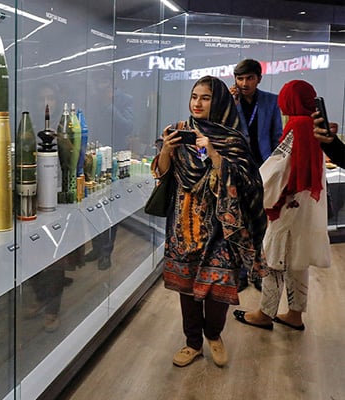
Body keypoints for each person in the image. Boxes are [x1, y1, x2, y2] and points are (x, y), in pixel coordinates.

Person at [153, 75, 267, 368]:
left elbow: (248, 182)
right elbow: (162, 174)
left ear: (218, 102)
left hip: (221, 227)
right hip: (184, 223)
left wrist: (214, 154)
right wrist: (166, 149)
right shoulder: (179, 131)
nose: (198, 103)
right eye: (194, 96)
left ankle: (214, 335)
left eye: (205, 97)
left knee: (218, 287)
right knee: (187, 286)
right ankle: (192, 343)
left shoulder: (232, 139)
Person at [233, 80, 330, 332]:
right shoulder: (313, 124)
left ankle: (265, 313)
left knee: (274, 258)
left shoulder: (296, 125)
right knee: (297, 258)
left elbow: (279, 167)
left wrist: (255, 189)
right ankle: (295, 314)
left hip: (286, 203)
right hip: (306, 202)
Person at [230, 59, 283, 292]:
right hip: (238, 168)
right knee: (239, 220)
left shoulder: (271, 101)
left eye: (249, 78)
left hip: (264, 167)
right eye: (240, 78)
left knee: (261, 222)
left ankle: (259, 271)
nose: (244, 83)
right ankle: (240, 271)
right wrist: (229, 104)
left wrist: (276, 167)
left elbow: (276, 135)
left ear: (258, 79)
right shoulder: (230, 101)